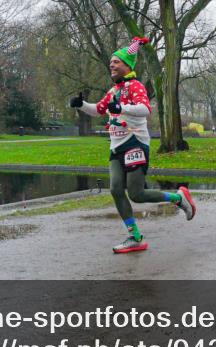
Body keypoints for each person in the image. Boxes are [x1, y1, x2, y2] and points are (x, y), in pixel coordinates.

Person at [70, 36, 196, 253]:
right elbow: (98, 109)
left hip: (134, 142)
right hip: (116, 147)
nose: (111, 64)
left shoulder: (135, 86)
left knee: (136, 194)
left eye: (116, 61)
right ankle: (135, 237)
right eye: (110, 62)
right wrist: (81, 105)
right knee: (116, 189)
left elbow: (145, 109)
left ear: (127, 66)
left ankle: (178, 197)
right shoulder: (113, 91)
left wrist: (122, 108)